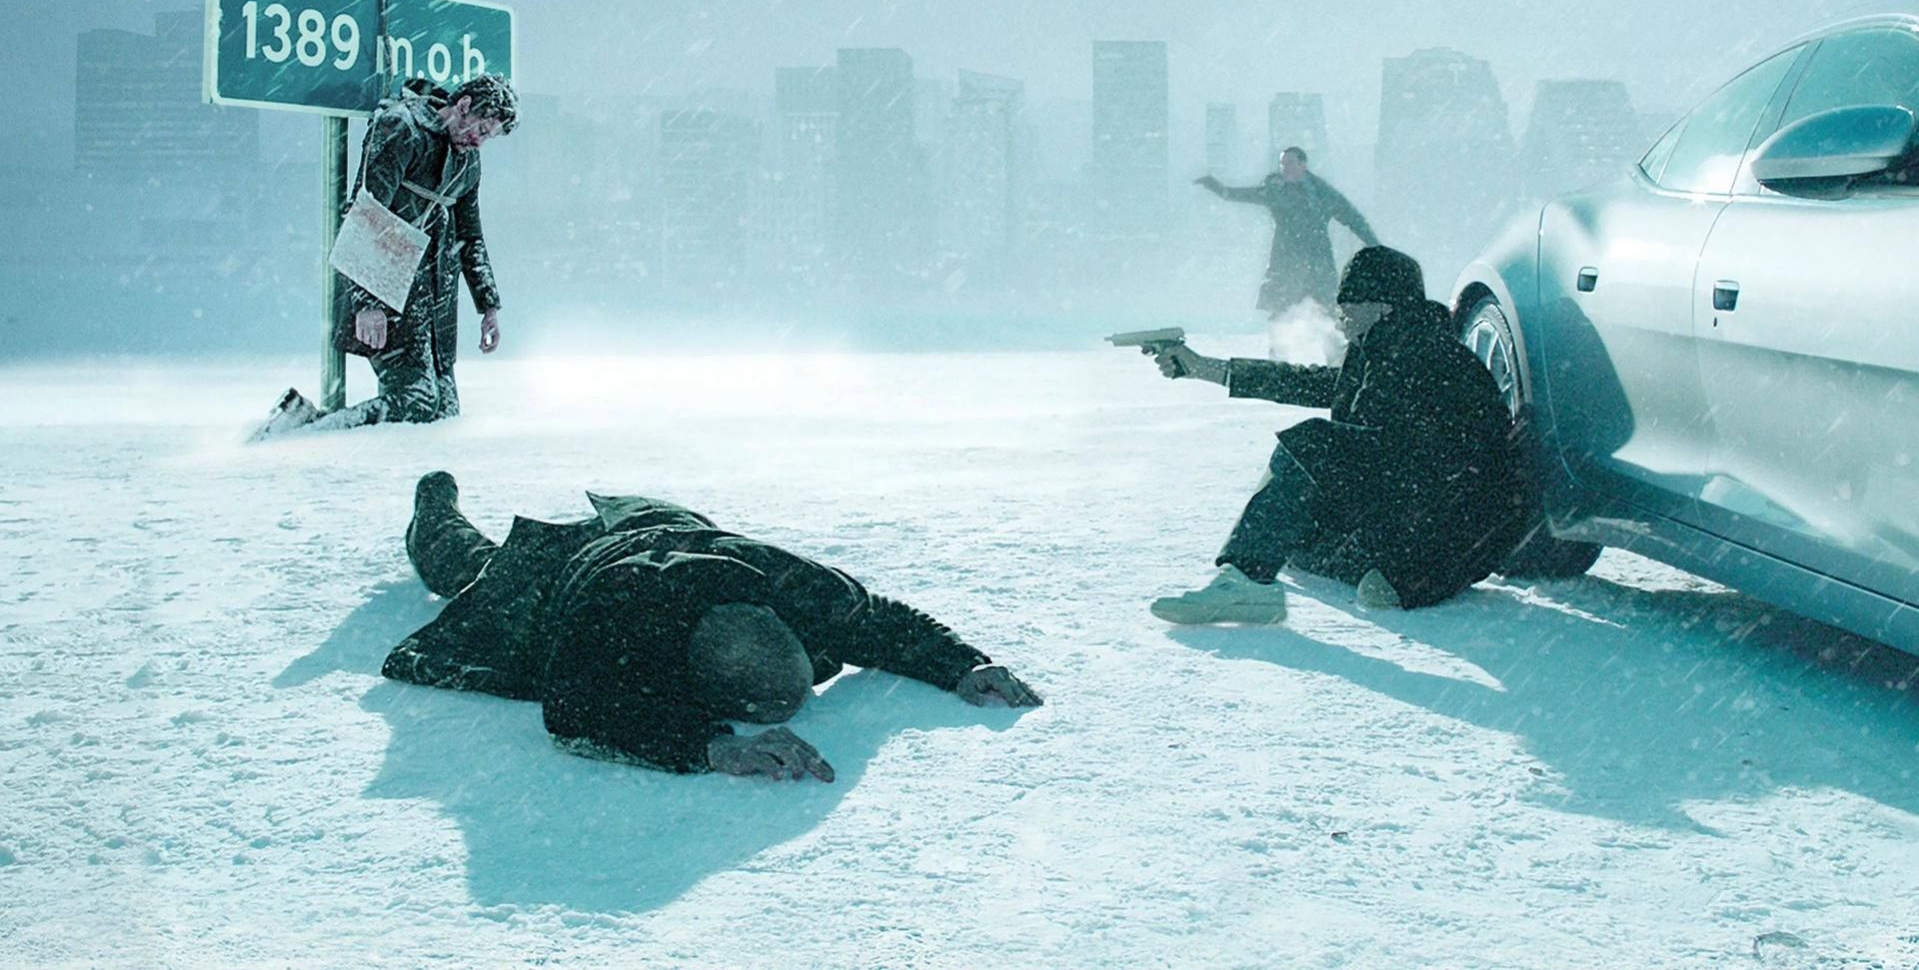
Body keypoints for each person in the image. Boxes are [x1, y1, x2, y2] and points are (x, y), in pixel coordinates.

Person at [384, 472, 1043, 781]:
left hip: (664, 523)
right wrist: (711, 746)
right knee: (469, 565)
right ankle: (434, 506)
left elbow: (872, 619)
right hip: (567, 576)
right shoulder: (616, 623)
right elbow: (575, 709)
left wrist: (961, 663)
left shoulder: (780, 580)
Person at [1139, 245, 1524, 623]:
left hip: (1443, 535)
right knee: (1293, 536)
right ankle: (1361, 572)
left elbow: (1464, 477)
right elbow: (1311, 384)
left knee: (1312, 444)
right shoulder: (1377, 349)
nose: (1340, 317)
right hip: (1407, 515)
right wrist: (1205, 368)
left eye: (1349, 305)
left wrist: (1427, 563)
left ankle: (1247, 583)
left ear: (1384, 305)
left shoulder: (1433, 357)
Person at [251, 74, 519, 438]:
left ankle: (306, 422)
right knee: (416, 402)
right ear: (464, 104)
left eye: (489, 136)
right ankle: (302, 434)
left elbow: (469, 235)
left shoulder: (468, 160)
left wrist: (488, 306)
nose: (479, 141)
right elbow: (367, 212)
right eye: (481, 129)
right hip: (386, 283)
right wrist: (368, 301)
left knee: (443, 410)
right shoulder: (402, 126)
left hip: (435, 296)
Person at [1195, 147, 1379, 359]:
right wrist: (1218, 188)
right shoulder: (1276, 191)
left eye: (1290, 163)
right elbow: (1239, 194)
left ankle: (1337, 366)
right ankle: (1277, 365)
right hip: (1285, 264)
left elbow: (1353, 218)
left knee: (1327, 316)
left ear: (1303, 164)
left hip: (1318, 263)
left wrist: (1375, 245)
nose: (1285, 168)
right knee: (1280, 316)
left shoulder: (1321, 192)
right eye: (1282, 164)